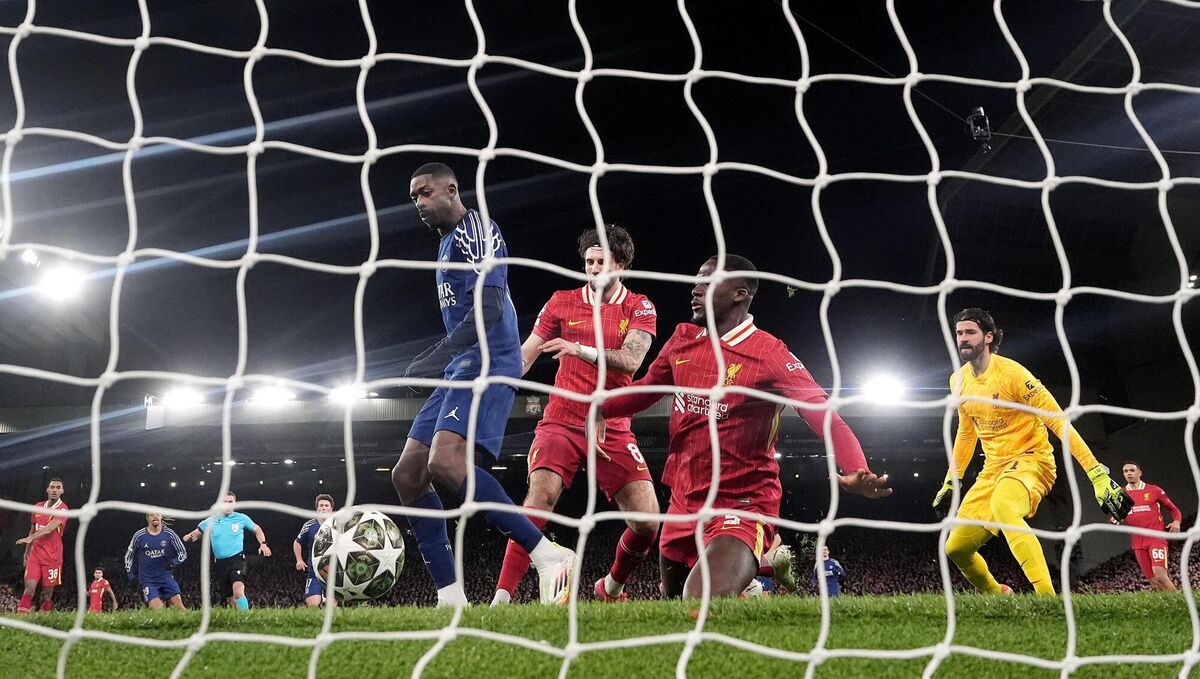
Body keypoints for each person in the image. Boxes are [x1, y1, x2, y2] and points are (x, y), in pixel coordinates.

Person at [599, 255, 891, 599]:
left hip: (743, 504)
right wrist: (595, 407)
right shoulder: (683, 340)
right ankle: (760, 576)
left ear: (740, 293)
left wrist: (857, 468)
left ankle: (754, 569)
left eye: (708, 282)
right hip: (684, 501)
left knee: (701, 600)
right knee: (674, 609)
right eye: (697, 280)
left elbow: (824, 415)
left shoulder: (768, 353)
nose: (695, 289)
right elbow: (645, 389)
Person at [393, 162, 574, 607]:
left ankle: (547, 554)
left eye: (425, 192)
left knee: (447, 464)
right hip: (462, 364)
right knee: (408, 475)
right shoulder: (445, 244)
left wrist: (432, 357)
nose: (418, 203)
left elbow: (490, 307)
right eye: (413, 196)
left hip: (491, 362)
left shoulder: (477, 229)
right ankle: (451, 595)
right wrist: (442, 360)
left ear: (451, 190)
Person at [492, 225, 659, 606]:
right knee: (540, 497)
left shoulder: (639, 306)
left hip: (612, 424)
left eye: (602, 262)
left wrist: (580, 349)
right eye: (589, 262)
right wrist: (489, 377)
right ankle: (501, 599)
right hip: (562, 419)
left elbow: (631, 361)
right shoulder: (560, 301)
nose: (594, 269)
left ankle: (611, 587)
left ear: (622, 265)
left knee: (648, 522)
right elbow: (525, 356)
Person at [933, 308, 1132, 595]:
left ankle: (1047, 599)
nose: (962, 338)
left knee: (1004, 506)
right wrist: (953, 479)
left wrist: (1096, 473)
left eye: (970, 332)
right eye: (959, 333)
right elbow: (966, 431)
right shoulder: (958, 381)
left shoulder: (1014, 374)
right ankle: (1000, 595)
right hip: (993, 469)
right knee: (957, 547)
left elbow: (1057, 421)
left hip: (1031, 460)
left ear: (988, 337)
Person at [182, 492, 271, 610]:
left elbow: (257, 530)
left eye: (230, 502)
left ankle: (247, 619)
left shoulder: (241, 518)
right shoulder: (211, 520)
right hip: (220, 563)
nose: (228, 505)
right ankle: (237, 621)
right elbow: (195, 534)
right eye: (225, 502)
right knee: (230, 598)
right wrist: (188, 538)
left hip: (237, 560)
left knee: (238, 591)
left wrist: (263, 544)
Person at [1121, 461, 1182, 591]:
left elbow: (1174, 509)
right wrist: (1114, 519)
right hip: (1137, 542)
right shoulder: (1121, 494)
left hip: (1156, 537)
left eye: (1132, 470)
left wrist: (1176, 521)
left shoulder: (1154, 490)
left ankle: (1181, 604)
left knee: (1160, 575)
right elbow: (1114, 516)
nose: (1129, 473)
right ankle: (1170, 608)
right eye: (1125, 471)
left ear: (1139, 473)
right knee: (1154, 582)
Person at [16, 478, 68, 613]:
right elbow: (32, 530)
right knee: (29, 589)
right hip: (35, 555)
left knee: (46, 594)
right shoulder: (37, 507)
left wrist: (30, 538)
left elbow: (49, 529)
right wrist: (26, 552)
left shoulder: (62, 509)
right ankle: (20, 621)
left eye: (58, 488)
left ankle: (46, 619)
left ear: (62, 491)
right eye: (52, 487)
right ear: (47, 489)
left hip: (53, 558)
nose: (54, 490)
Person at [125, 513, 187, 609]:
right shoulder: (139, 535)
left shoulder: (169, 534)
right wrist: (130, 573)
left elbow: (183, 553)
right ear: (147, 518)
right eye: (151, 515)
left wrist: (173, 563)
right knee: (157, 611)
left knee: (180, 608)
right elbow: (129, 555)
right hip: (148, 581)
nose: (155, 516)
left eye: (157, 514)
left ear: (161, 517)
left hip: (166, 578)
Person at [293, 494, 335, 607]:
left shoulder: (338, 525)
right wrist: (299, 560)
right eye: (321, 505)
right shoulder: (309, 525)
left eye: (326, 506)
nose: (324, 508)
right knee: (313, 605)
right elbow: (297, 542)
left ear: (331, 509)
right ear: (317, 508)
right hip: (314, 572)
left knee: (332, 608)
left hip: (334, 573)